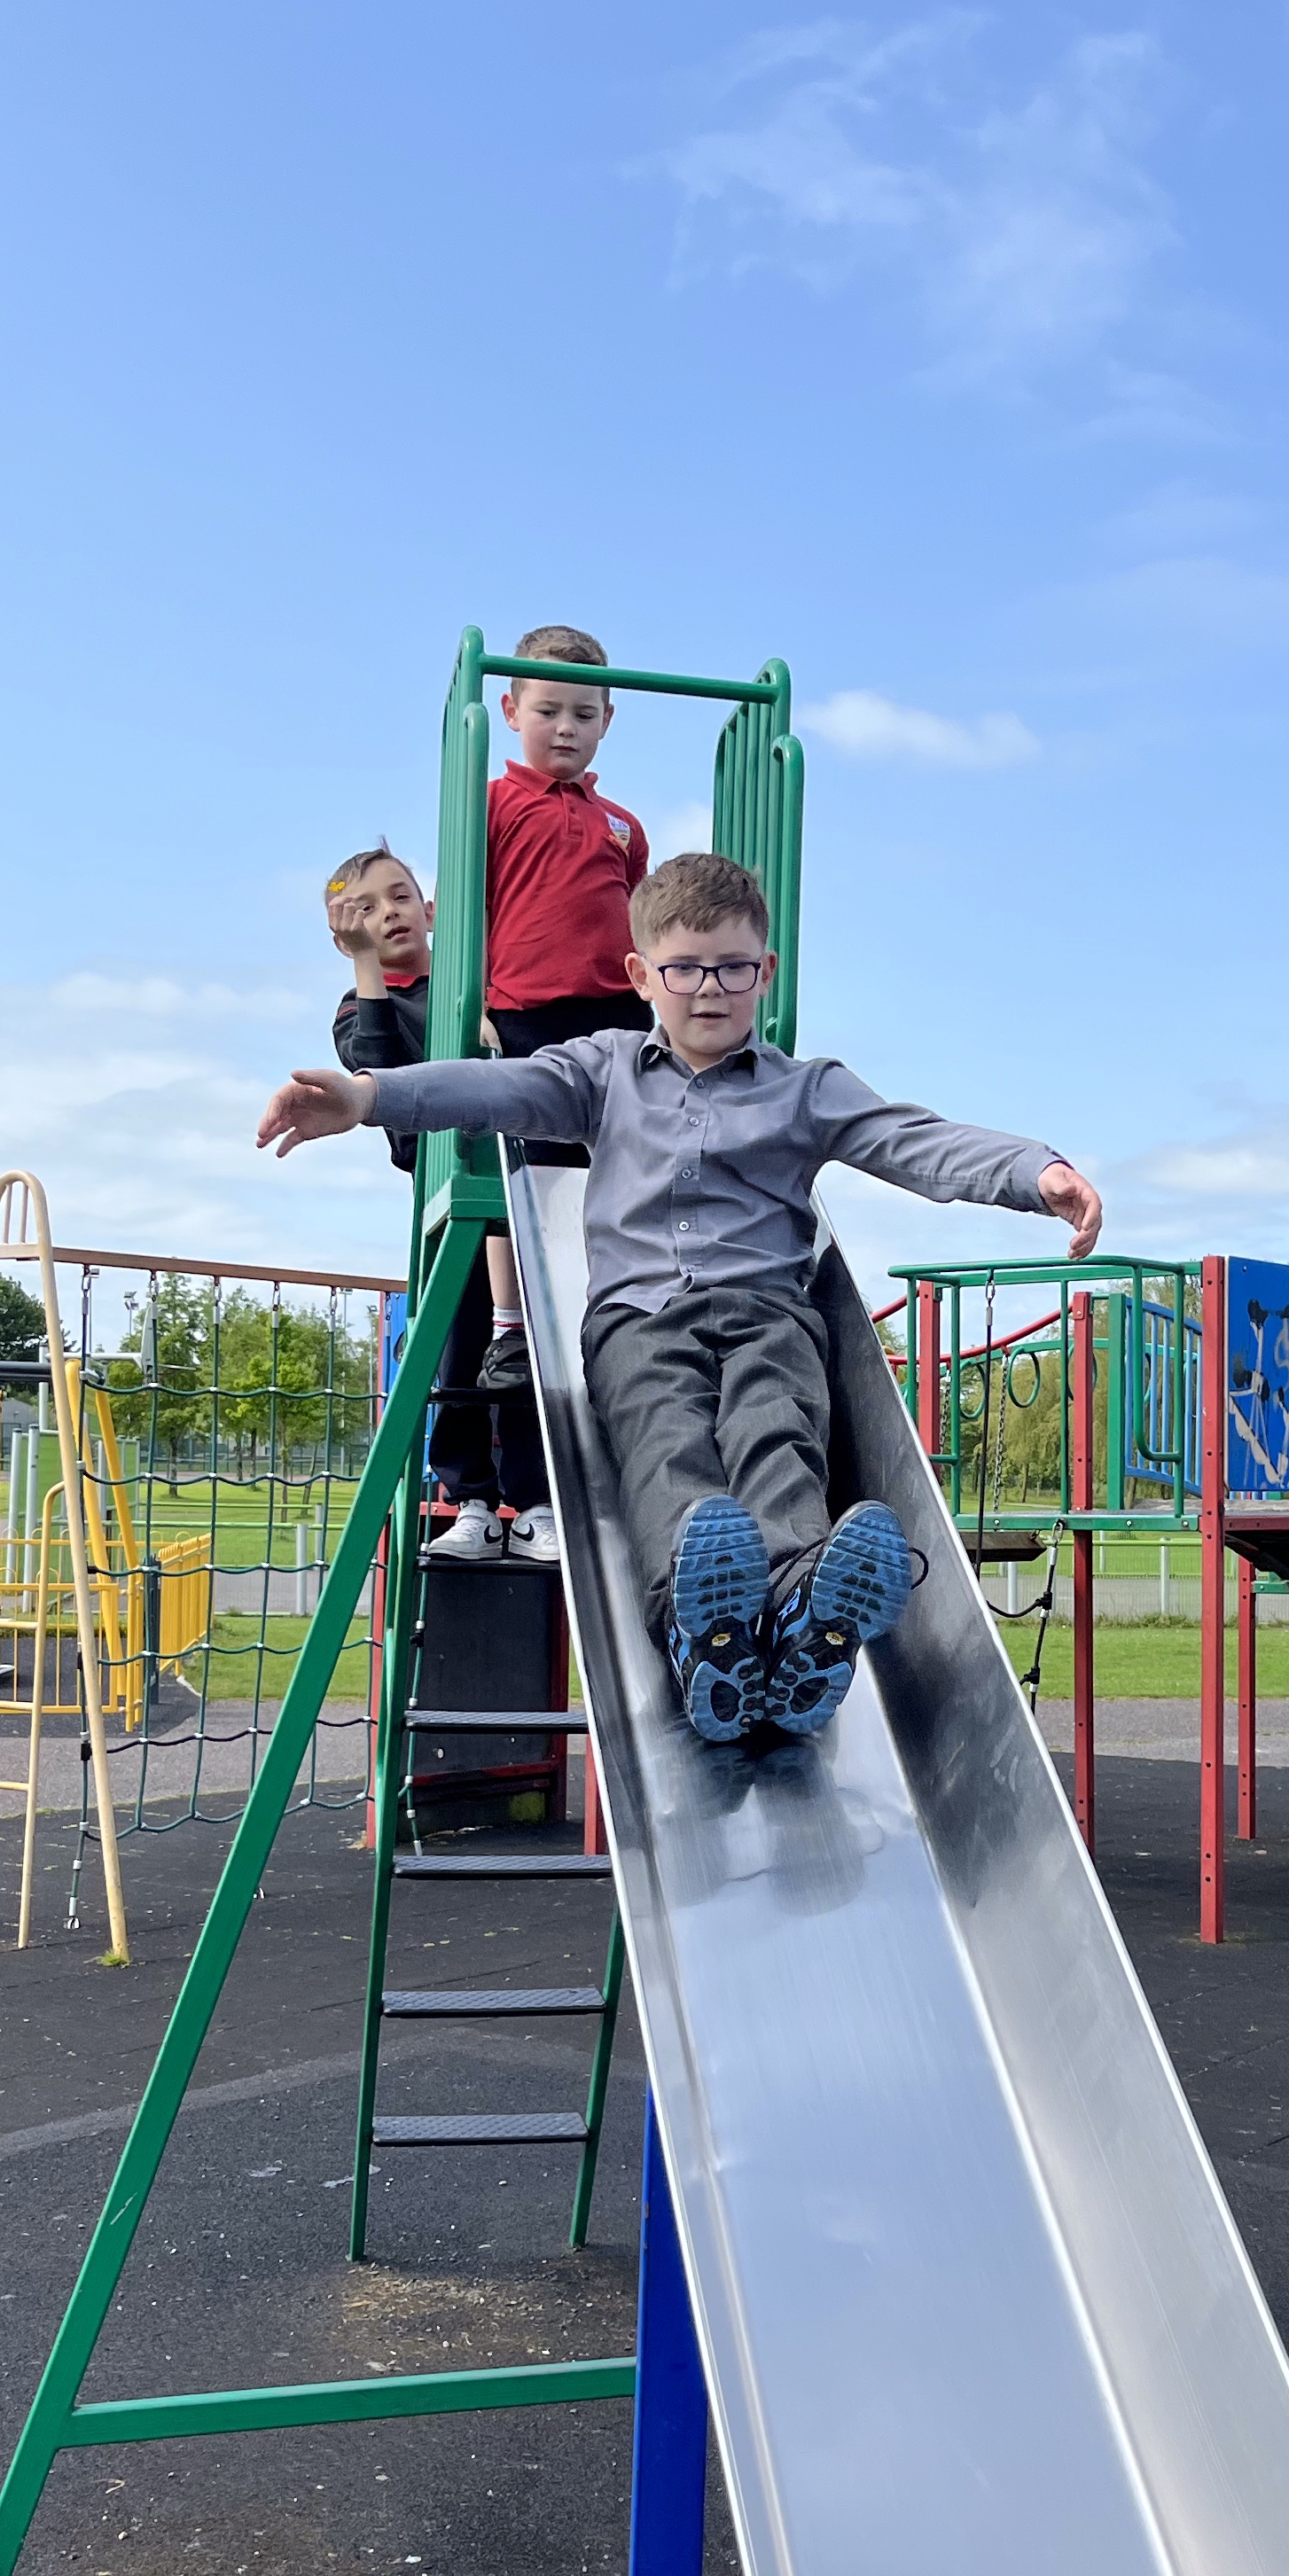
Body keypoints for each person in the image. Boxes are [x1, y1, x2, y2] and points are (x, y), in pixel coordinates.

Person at [258, 849, 1102, 1745]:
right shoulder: (604, 1070)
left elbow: (912, 1139)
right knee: (670, 1446)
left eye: (732, 968)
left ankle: (801, 1616)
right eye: (685, 969)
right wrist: (368, 1096)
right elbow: (495, 1086)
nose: (709, 989)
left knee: (776, 1433)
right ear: (640, 976)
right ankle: (705, 1636)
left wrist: (1033, 1172)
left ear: (764, 972)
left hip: (769, 1311)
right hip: (640, 1320)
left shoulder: (806, 1090)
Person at [323, 839, 557, 1564]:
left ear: (429, 910)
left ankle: (537, 1502)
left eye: (398, 896)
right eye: (365, 909)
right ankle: (474, 1502)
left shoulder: (482, 987)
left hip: (511, 1188)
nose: (387, 913)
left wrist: (483, 1006)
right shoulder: (363, 1007)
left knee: (525, 1350)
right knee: (459, 1349)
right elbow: (379, 1072)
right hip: (446, 1194)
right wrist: (366, 967)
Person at [471, 624, 653, 1401]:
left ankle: (625, 1306)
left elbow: (640, 921)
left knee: (620, 1168)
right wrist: (474, 997)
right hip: (526, 1014)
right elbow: (473, 905)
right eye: (548, 711)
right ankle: (511, 1326)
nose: (566, 728)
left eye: (584, 714)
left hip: (617, 1017)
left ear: (607, 720)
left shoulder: (623, 825)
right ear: (512, 711)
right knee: (527, 1174)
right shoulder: (490, 804)